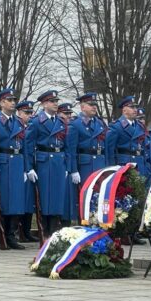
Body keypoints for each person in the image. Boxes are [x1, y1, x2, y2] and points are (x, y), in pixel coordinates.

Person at [24, 89, 67, 236]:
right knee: (44, 197)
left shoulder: (61, 122)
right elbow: (28, 146)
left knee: (57, 196)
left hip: (58, 160)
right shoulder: (36, 122)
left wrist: (67, 165)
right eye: (52, 101)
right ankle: (45, 230)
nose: (55, 104)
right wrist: (29, 167)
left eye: (56, 101)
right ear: (43, 104)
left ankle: (55, 229)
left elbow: (66, 145)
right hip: (44, 161)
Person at [0, 88, 25, 250]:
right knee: (3, 201)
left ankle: (12, 235)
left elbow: (23, 145)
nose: (13, 103)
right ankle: (2, 234)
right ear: (2, 103)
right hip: (3, 163)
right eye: (9, 100)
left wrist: (25, 168)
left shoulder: (17, 121)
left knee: (16, 201)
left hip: (17, 162)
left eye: (14, 100)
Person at [65, 93, 107, 224]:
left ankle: (98, 223)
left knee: (98, 195)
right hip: (85, 164)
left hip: (99, 162)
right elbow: (71, 150)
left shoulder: (100, 123)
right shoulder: (75, 125)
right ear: (82, 107)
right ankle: (83, 223)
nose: (94, 107)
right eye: (91, 105)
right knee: (85, 196)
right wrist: (73, 170)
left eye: (95, 104)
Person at [105, 96, 147, 177]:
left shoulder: (140, 126)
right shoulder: (116, 127)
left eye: (136, 107)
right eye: (132, 107)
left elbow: (144, 149)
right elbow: (110, 151)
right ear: (124, 110)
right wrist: (111, 169)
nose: (135, 110)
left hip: (139, 165)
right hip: (123, 166)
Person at [15, 99, 36, 241]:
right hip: (21, 166)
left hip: (33, 166)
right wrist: (25, 168)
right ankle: (17, 231)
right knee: (19, 201)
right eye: (26, 112)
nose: (29, 115)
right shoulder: (17, 126)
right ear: (19, 113)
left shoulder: (32, 126)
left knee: (30, 201)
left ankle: (26, 231)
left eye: (30, 112)